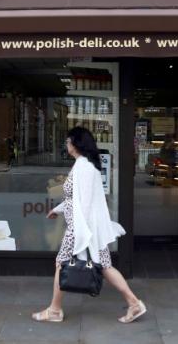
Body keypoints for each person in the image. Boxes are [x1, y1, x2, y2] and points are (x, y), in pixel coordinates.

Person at [32, 127, 146, 324]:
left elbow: (83, 203)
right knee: (105, 266)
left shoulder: (84, 166)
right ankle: (134, 303)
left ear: (76, 144)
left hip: (82, 228)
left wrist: (77, 233)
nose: (66, 145)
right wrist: (58, 210)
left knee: (62, 263)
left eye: (68, 142)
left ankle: (54, 310)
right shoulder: (84, 164)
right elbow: (75, 198)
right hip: (89, 228)